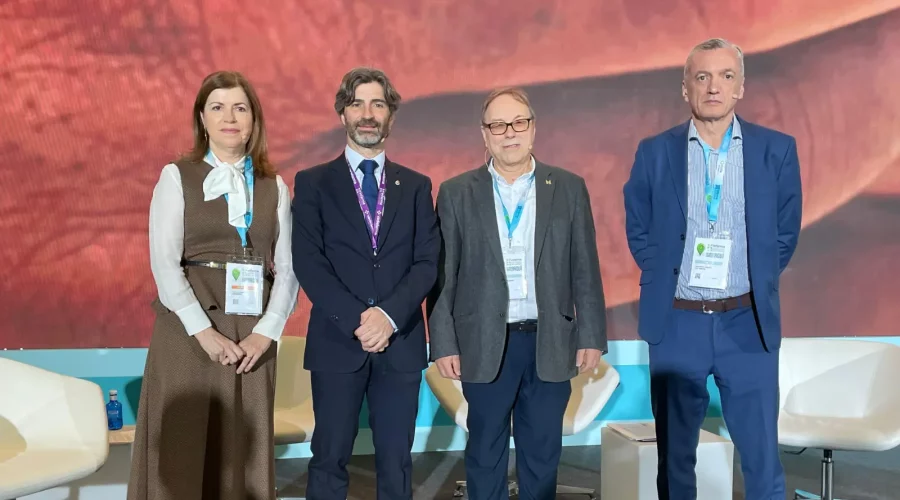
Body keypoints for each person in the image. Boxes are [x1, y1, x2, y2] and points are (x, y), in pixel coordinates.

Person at [623, 38, 802, 500]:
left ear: (741, 86)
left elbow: (783, 235)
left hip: (747, 323)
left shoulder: (776, 150)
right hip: (678, 320)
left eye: (725, 76)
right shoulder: (654, 152)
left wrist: (749, 281)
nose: (713, 87)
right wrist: (666, 278)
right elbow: (639, 228)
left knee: (761, 458)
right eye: (701, 77)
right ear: (686, 89)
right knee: (676, 460)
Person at [427, 87, 608, 500]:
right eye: (498, 125)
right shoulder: (457, 192)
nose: (509, 133)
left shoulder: (567, 187)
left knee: (542, 453)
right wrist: (443, 342)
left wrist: (592, 336)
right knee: (485, 451)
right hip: (484, 343)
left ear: (533, 129)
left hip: (550, 341)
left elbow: (585, 268)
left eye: (518, 123)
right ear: (484, 134)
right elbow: (443, 276)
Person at [128, 70, 299, 500]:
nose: (230, 117)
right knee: (183, 452)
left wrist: (267, 332)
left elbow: (289, 267)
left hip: (251, 340)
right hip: (188, 336)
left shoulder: (274, 186)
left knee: (244, 451)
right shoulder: (176, 176)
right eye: (217, 107)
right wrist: (203, 333)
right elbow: (164, 265)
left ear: (253, 119)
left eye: (240, 107)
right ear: (202, 119)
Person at [291, 67, 440, 500]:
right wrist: (361, 320)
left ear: (391, 115)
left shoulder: (415, 186)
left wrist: (389, 317)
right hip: (339, 341)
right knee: (328, 456)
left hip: (402, 343)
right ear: (343, 114)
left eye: (378, 104)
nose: (368, 114)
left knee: (396, 462)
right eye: (357, 103)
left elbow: (427, 262)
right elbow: (309, 262)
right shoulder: (313, 183)